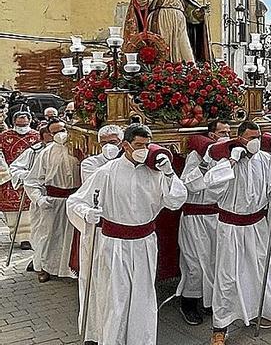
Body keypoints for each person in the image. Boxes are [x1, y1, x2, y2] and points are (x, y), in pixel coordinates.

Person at [66, 123, 186, 345]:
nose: (144, 149)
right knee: (115, 297)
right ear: (125, 145)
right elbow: (75, 201)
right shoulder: (106, 172)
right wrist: (87, 213)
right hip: (114, 245)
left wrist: (169, 173)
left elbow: (175, 201)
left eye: (147, 145)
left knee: (142, 297)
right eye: (139, 145)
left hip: (144, 244)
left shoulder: (156, 173)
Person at [199, 121, 271, 344]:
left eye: (258, 137)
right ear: (239, 138)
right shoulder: (226, 160)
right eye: (249, 137)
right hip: (231, 225)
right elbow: (211, 186)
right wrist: (231, 161)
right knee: (227, 275)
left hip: (257, 224)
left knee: (261, 267)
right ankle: (221, 325)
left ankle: (265, 310)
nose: (254, 141)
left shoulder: (265, 160)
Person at [175, 119, 230, 326]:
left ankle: (209, 301)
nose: (226, 134)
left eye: (228, 131)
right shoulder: (197, 155)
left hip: (217, 216)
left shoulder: (229, 155)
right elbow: (188, 184)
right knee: (195, 264)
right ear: (212, 135)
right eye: (221, 132)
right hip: (195, 216)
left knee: (216, 261)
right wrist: (206, 163)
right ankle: (188, 303)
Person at [75, 124, 123, 343]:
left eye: (113, 143)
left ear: (122, 143)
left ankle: (115, 333)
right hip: (98, 232)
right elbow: (97, 191)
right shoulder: (91, 164)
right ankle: (92, 332)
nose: (108, 147)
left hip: (122, 233)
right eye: (104, 143)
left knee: (117, 286)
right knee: (93, 282)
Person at [24, 118, 81, 282]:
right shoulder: (45, 154)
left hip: (74, 200)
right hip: (53, 202)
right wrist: (39, 199)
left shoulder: (77, 149)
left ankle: (71, 268)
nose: (59, 134)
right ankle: (43, 267)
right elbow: (31, 180)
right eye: (55, 132)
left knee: (71, 236)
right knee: (49, 236)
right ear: (49, 134)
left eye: (62, 130)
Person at [0, 110, 40, 252]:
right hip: (9, 177)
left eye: (25, 124)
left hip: (30, 175)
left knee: (29, 210)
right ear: (13, 122)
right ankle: (17, 236)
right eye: (19, 124)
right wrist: (6, 172)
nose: (22, 127)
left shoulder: (37, 136)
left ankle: (27, 238)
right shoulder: (4, 137)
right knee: (13, 210)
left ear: (30, 122)